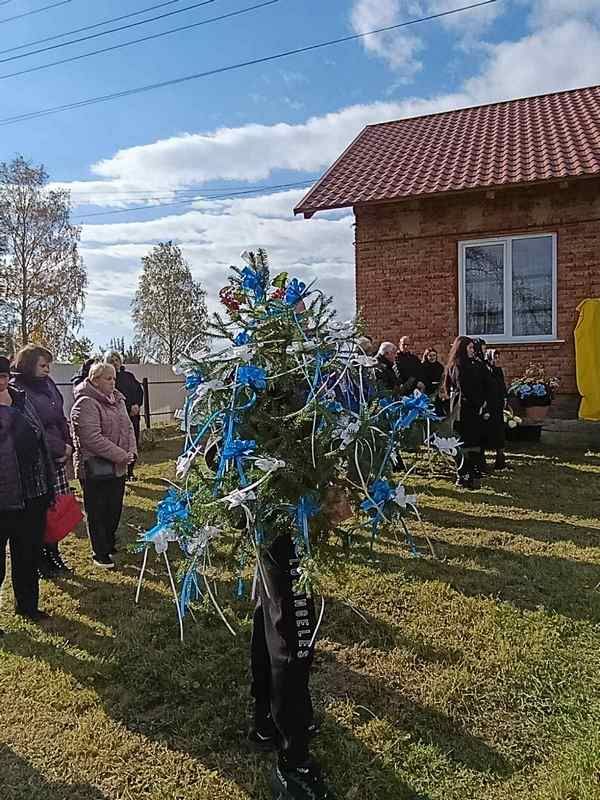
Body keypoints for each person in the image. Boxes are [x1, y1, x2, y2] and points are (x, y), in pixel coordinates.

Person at [0, 355, 55, 629]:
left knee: (27, 553)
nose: (1, 381)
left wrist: (47, 484)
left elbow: (40, 439)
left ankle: (28, 606)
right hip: (3, 498)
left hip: (32, 491)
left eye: (3, 375)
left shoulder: (22, 399)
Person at [11, 344, 74, 576]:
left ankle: (54, 553)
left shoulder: (48, 385)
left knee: (55, 509)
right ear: (29, 365)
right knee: (38, 515)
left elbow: (60, 417)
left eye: (49, 365)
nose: (48, 370)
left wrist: (68, 444)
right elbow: (33, 427)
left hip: (58, 455)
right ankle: (40, 560)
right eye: (43, 365)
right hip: (37, 460)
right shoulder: (18, 389)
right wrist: (59, 447)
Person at [70, 362, 136, 569]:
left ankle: (108, 542)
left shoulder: (118, 400)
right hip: (95, 469)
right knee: (98, 511)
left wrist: (132, 450)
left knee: (114, 508)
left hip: (118, 465)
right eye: (108, 378)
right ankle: (99, 552)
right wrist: (121, 455)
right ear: (94, 380)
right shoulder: (85, 403)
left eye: (114, 378)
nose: (113, 382)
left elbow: (128, 427)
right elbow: (92, 438)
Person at [443, 336, 487, 489]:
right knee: (463, 443)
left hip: (470, 408)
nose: (472, 351)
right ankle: (463, 474)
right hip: (463, 410)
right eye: (469, 348)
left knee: (471, 442)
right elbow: (465, 388)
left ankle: (470, 473)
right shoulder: (458, 366)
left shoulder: (471, 364)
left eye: (473, 348)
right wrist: (479, 402)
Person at [104, 351, 143, 480]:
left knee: (132, 442)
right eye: (111, 359)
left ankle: (131, 471)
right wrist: (127, 408)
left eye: (116, 359)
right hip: (117, 418)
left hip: (133, 416)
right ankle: (120, 473)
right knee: (118, 444)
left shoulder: (129, 376)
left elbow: (139, 391)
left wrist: (137, 404)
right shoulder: (106, 379)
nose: (114, 362)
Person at [483, 349, 508, 470]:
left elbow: (502, 386)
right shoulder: (485, 370)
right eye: (495, 357)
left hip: (497, 405)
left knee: (499, 432)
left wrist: (504, 398)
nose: (497, 360)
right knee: (487, 432)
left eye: (498, 357)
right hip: (488, 405)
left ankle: (500, 459)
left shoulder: (498, 370)